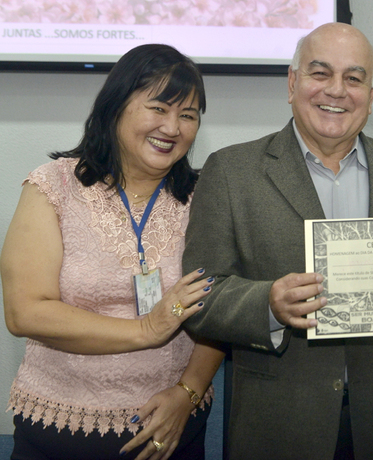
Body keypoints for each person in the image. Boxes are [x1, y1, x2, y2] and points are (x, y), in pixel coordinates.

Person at [181, 22, 373, 460]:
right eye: (320, 73)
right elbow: (200, 297)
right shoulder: (231, 172)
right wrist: (268, 304)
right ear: (292, 83)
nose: (336, 90)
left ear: (372, 94)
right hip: (277, 424)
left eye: (354, 78)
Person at [1, 44, 225, 460]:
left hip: (172, 432)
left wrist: (188, 391)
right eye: (158, 108)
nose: (172, 127)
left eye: (188, 115)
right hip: (58, 432)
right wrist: (146, 329)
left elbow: (222, 307)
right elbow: (25, 312)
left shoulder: (207, 197)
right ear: (116, 106)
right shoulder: (54, 186)